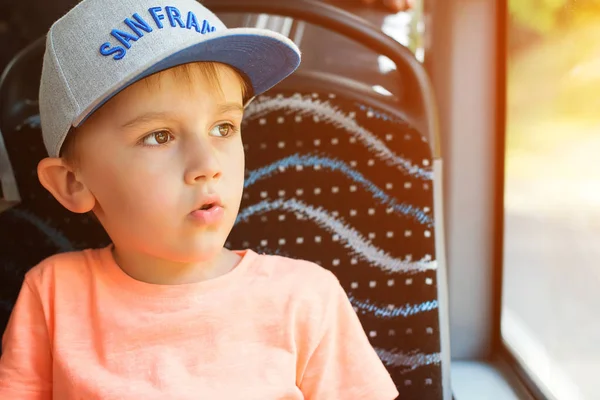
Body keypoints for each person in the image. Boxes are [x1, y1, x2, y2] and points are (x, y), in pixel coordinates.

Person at [0, 0, 399, 398]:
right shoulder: (52, 295)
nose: (207, 164)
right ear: (73, 183)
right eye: (159, 136)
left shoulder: (307, 299)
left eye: (223, 127)